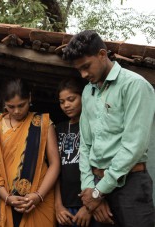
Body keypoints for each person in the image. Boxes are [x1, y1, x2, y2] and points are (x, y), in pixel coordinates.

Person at [62, 30, 155, 226]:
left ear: (102, 55)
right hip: (97, 184)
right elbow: (85, 145)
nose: (84, 74)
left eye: (86, 66)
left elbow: (133, 147)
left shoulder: (135, 86)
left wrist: (99, 192)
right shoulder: (88, 91)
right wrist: (90, 191)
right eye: (79, 70)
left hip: (130, 184)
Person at [0, 78, 60, 227]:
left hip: (40, 200)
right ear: (4, 103)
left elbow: (55, 164)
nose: (17, 111)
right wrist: (6, 197)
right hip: (6, 200)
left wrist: (39, 196)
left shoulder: (42, 123)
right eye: (11, 107)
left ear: (29, 98)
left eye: (21, 105)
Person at [55, 77, 98, 227]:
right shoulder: (58, 129)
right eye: (62, 102)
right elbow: (54, 171)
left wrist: (89, 207)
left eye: (71, 99)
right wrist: (58, 206)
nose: (66, 105)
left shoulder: (94, 126)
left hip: (93, 205)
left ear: (83, 97)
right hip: (65, 209)